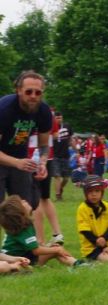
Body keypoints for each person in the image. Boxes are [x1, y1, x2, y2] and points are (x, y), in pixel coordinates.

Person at [0, 70, 52, 210]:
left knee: (26, 207)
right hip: (5, 158)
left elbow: (43, 145)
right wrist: (16, 162)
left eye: (38, 92)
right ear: (18, 90)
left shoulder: (44, 111)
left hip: (20, 159)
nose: (33, 96)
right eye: (29, 92)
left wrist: (42, 163)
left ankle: (20, 232)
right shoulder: (4, 109)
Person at [0, 195, 84, 267]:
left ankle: (76, 263)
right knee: (56, 250)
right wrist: (56, 250)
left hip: (25, 257)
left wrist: (50, 247)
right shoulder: (23, 229)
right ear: (20, 213)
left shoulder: (23, 224)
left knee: (55, 248)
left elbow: (33, 246)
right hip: (20, 261)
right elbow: (36, 250)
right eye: (22, 203)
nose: (24, 200)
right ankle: (78, 264)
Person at [77, 175, 108, 262]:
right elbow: (85, 231)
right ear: (85, 193)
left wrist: (104, 240)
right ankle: (96, 260)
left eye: (97, 191)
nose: (94, 194)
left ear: (102, 192)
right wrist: (102, 246)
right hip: (91, 247)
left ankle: (105, 255)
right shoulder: (82, 208)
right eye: (90, 191)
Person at [51, 112, 73, 200]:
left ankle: (60, 188)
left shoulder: (67, 126)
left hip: (65, 155)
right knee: (57, 176)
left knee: (66, 178)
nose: (59, 120)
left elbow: (71, 139)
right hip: (55, 155)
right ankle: (58, 195)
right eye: (57, 118)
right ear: (54, 119)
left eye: (60, 118)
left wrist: (77, 151)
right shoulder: (51, 128)